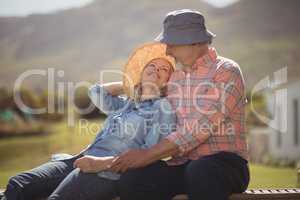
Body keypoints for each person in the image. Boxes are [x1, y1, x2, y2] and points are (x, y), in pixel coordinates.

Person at [1, 42, 176, 200]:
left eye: (164, 69)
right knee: (18, 183)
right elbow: (96, 92)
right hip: (79, 159)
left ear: (168, 81)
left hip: (104, 171)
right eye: (151, 66)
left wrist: (101, 164)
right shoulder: (125, 104)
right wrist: (130, 83)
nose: (156, 70)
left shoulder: (163, 108)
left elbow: (148, 154)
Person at [114, 9, 250, 200]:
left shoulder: (226, 71)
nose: (167, 51)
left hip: (225, 165)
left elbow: (198, 128)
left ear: (193, 41)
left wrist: (146, 155)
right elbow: (147, 107)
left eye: (171, 44)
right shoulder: (175, 78)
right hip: (183, 164)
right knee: (133, 179)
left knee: (201, 171)